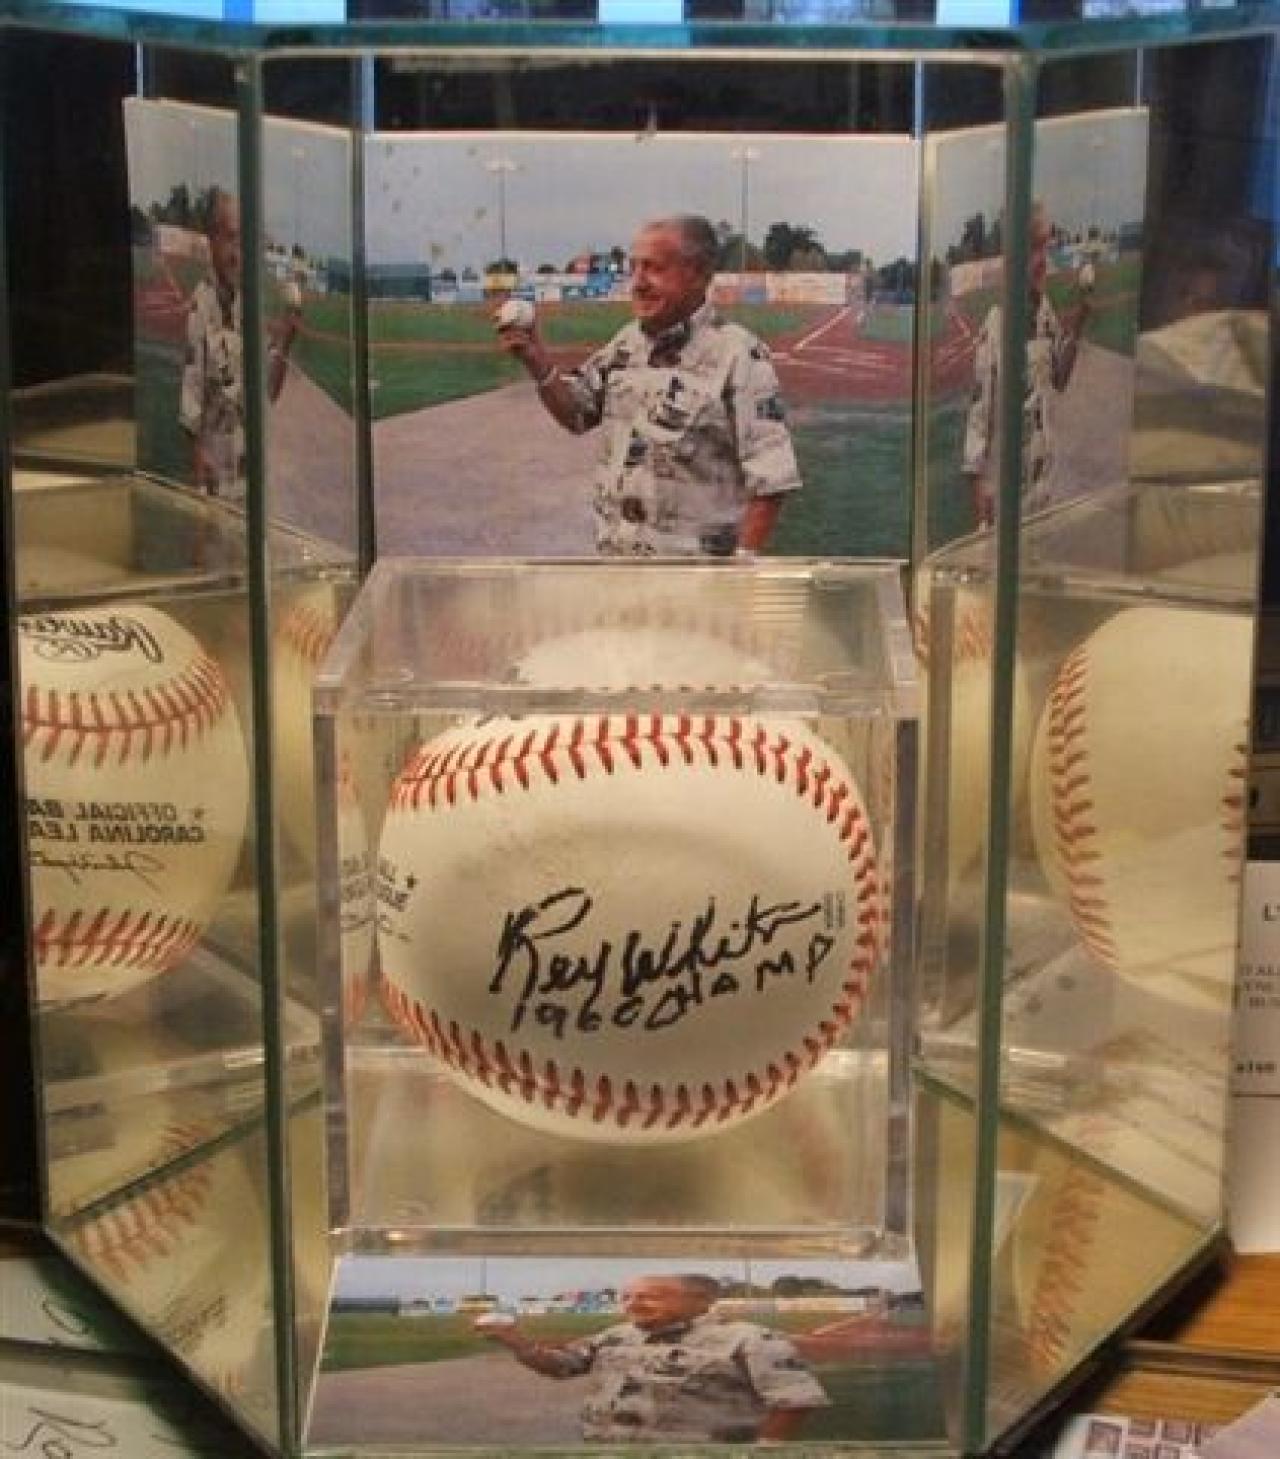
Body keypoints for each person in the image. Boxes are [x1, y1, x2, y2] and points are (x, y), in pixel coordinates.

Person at [496, 214, 802, 557]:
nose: (638, 283)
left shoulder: (738, 354)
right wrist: (536, 360)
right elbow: (576, 414)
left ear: (699, 275)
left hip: (693, 577)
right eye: (634, 268)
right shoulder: (626, 344)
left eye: (654, 268)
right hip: (617, 567)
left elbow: (772, 480)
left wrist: (739, 569)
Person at [475, 1272, 830, 1444]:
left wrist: (763, 1452)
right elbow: (562, 1367)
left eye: (650, 1296)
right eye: (627, 1297)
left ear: (700, 1301)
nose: (633, 1304)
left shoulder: (750, 1338)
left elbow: (796, 1401)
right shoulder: (616, 1335)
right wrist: (516, 1342)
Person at [961, 201, 1092, 528]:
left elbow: (1059, 378)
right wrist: (978, 487)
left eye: (1046, 247)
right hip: (1008, 495)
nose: (1043, 260)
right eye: (1034, 249)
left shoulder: (1044, 313)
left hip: (1043, 489)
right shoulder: (997, 326)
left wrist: (1080, 320)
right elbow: (979, 415)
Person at [179, 187, 299, 501]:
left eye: (245, 242)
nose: (238, 254)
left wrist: (286, 343)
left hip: (250, 480)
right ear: (212, 239)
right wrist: (198, 462)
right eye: (231, 238)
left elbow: (268, 393)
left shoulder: (248, 308)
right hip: (214, 482)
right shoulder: (201, 308)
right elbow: (190, 401)